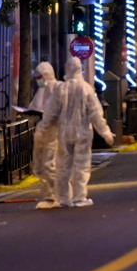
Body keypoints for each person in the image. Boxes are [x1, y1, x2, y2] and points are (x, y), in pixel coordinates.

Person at [37, 56, 114, 208]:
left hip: (64, 131)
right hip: (83, 131)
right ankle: (79, 197)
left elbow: (51, 112)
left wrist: (43, 128)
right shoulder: (86, 89)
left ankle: (64, 198)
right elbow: (95, 113)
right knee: (81, 164)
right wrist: (105, 132)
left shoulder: (61, 89)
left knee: (63, 166)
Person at [28, 62, 62, 210]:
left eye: (40, 77)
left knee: (50, 164)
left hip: (55, 133)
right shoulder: (42, 91)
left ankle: (60, 194)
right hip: (44, 134)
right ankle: (50, 195)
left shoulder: (58, 89)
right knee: (42, 165)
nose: (38, 80)